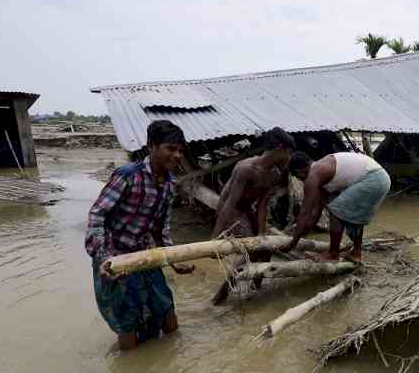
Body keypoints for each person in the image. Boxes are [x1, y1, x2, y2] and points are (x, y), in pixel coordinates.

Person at [85, 120, 195, 351]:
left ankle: (172, 361)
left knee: (165, 305)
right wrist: (105, 258)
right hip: (114, 256)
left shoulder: (168, 185)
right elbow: (97, 215)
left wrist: (173, 261)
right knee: (127, 318)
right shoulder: (128, 175)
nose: (177, 155)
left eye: (180, 150)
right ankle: (131, 369)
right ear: (151, 146)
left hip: (144, 252)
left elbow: (160, 229)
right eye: (170, 148)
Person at [210, 126, 296, 304]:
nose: (289, 158)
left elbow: (262, 205)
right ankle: (221, 295)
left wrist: (262, 233)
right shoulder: (246, 168)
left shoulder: (275, 173)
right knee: (251, 250)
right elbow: (230, 203)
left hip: (247, 209)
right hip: (231, 209)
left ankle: (255, 289)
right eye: (288, 152)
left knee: (266, 248)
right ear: (280, 149)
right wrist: (214, 238)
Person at [283, 151, 391, 262]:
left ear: (298, 172)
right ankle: (356, 253)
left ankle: (333, 254)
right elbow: (316, 211)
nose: (301, 181)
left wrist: (293, 242)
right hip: (381, 179)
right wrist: (302, 235)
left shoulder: (313, 175)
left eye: (298, 177)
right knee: (351, 217)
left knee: (335, 211)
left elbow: (304, 212)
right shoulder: (321, 174)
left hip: (373, 179)